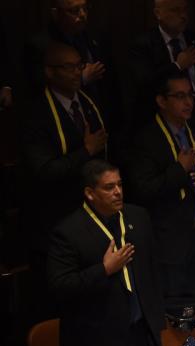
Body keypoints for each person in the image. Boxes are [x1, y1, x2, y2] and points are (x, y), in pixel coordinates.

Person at [47, 159, 164, 346]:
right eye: (109, 187)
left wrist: (152, 331)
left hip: (135, 340)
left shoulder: (138, 217)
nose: (118, 192)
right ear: (90, 193)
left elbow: (152, 275)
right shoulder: (68, 232)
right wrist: (104, 270)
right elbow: (61, 286)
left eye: (120, 185)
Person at [22, 42, 108, 319]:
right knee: (62, 307)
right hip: (54, 224)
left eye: (79, 66)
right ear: (49, 72)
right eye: (67, 67)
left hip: (91, 218)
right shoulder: (36, 114)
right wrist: (86, 151)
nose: (75, 73)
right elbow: (45, 171)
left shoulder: (87, 103)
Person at [124, 72, 195, 311]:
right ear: (161, 101)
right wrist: (179, 169)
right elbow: (144, 190)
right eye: (179, 96)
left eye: (190, 95)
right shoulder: (146, 139)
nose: (188, 102)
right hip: (169, 242)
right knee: (177, 314)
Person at [128, 0, 195, 133]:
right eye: (175, 10)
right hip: (161, 129)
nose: (183, 16)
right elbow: (145, 85)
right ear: (158, 13)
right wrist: (177, 66)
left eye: (185, 9)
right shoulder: (143, 46)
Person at [24, 0, 115, 120]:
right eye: (74, 11)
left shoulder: (96, 35)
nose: (82, 15)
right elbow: (40, 89)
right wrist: (81, 78)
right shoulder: (41, 46)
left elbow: (112, 83)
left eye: (85, 8)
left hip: (102, 116)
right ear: (56, 14)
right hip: (66, 121)